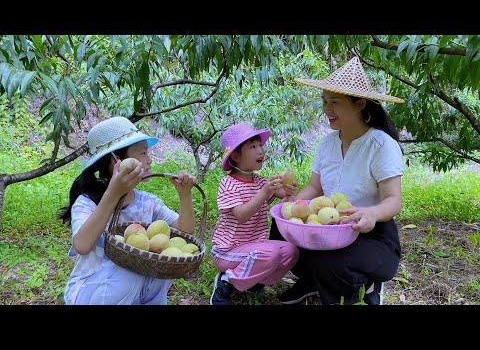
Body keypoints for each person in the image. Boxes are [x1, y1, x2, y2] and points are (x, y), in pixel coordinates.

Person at [270, 56, 405, 305]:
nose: (326, 109)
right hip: (331, 227)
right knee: (280, 229)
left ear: (359, 104)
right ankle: (313, 281)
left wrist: (371, 214)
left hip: (371, 234)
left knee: (330, 261)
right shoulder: (327, 144)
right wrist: (291, 203)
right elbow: (315, 187)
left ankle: (366, 289)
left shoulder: (381, 145)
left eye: (334, 102)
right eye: (324, 101)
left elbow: (393, 201)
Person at [58, 116, 197, 305]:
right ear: (116, 161)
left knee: (160, 265)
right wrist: (114, 193)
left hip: (134, 292)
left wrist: (185, 195)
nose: (149, 160)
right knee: (128, 274)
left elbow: (184, 229)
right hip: (93, 291)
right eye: (142, 154)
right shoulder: (88, 203)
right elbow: (82, 245)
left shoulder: (148, 202)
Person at [209, 122, 300, 305]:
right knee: (272, 253)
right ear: (235, 156)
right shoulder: (228, 184)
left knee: (291, 251)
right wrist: (265, 192)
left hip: (255, 247)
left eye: (261, 145)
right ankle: (226, 282)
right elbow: (241, 215)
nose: (261, 151)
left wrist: (289, 191)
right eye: (253, 146)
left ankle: (252, 283)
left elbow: (285, 198)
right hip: (228, 251)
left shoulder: (260, 181)